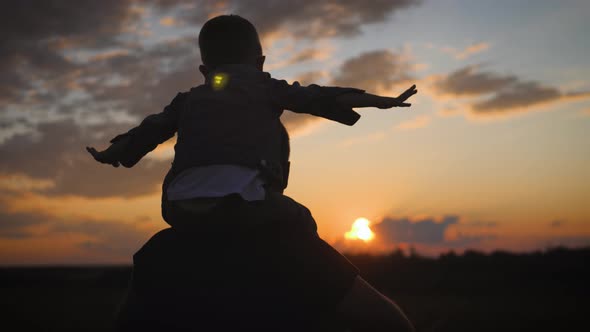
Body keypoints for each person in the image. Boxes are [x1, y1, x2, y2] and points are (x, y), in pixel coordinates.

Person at [88, 14, 416, 332]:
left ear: (204, 70)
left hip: (180, 207)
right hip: (246, 204)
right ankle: (310, 268)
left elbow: (148, 129)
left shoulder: (186, 101)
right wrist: (377, 100)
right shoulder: (263, 85)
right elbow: (318, 96)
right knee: (299, 219)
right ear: (260, 62)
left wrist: (112, 152)